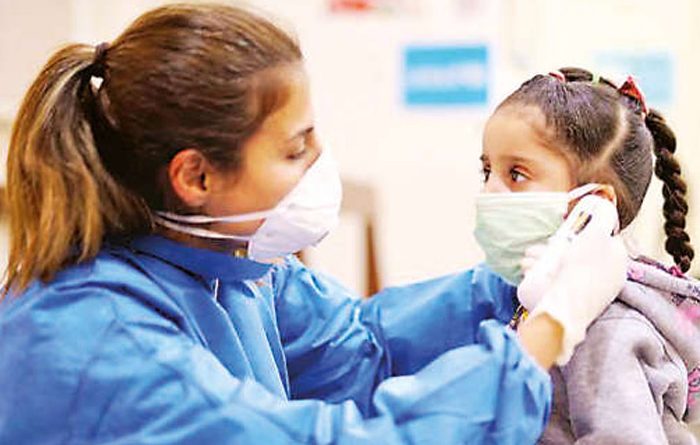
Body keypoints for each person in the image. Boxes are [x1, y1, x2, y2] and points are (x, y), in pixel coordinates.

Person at [0, 5, 626, 444]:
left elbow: (364, 347)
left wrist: (520, 279)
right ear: (196, 177)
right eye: (295, 148)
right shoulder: (94, 341)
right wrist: (549, 328)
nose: (321, 160)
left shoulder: (233, 269)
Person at [476, 66, 700, 444]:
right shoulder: (536, 299)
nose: (489, 192)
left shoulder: (604, 327)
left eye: (516, 174)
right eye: (487, 171)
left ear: (592, 205)